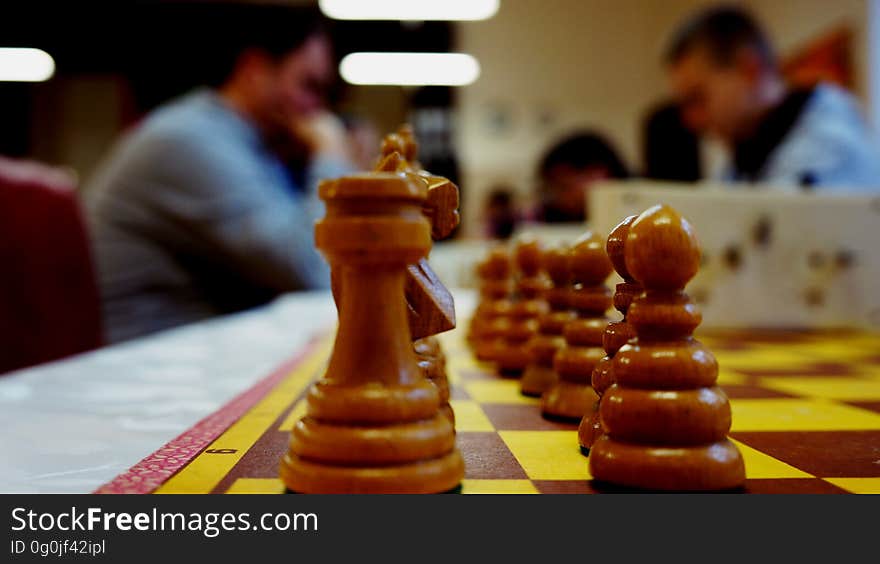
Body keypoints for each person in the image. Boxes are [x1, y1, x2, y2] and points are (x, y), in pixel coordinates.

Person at [84, 6, 354, 344]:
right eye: (308, 85)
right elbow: (316, 269)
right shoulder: (189, 140)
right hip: (139, 365)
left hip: (192, 353)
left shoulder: (249, 144)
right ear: (255, 70)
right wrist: (330, 156)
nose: (317, 109)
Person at [665, 5, 880, 190]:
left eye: (697, 98)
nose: (690, 120)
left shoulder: (833, 151)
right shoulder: (745, 153)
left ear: (750, 69)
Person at [535, 132, 629, 223]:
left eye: (564, 187)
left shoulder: (631, 217)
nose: (558, 198)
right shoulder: (551, 215)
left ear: (596, 174)